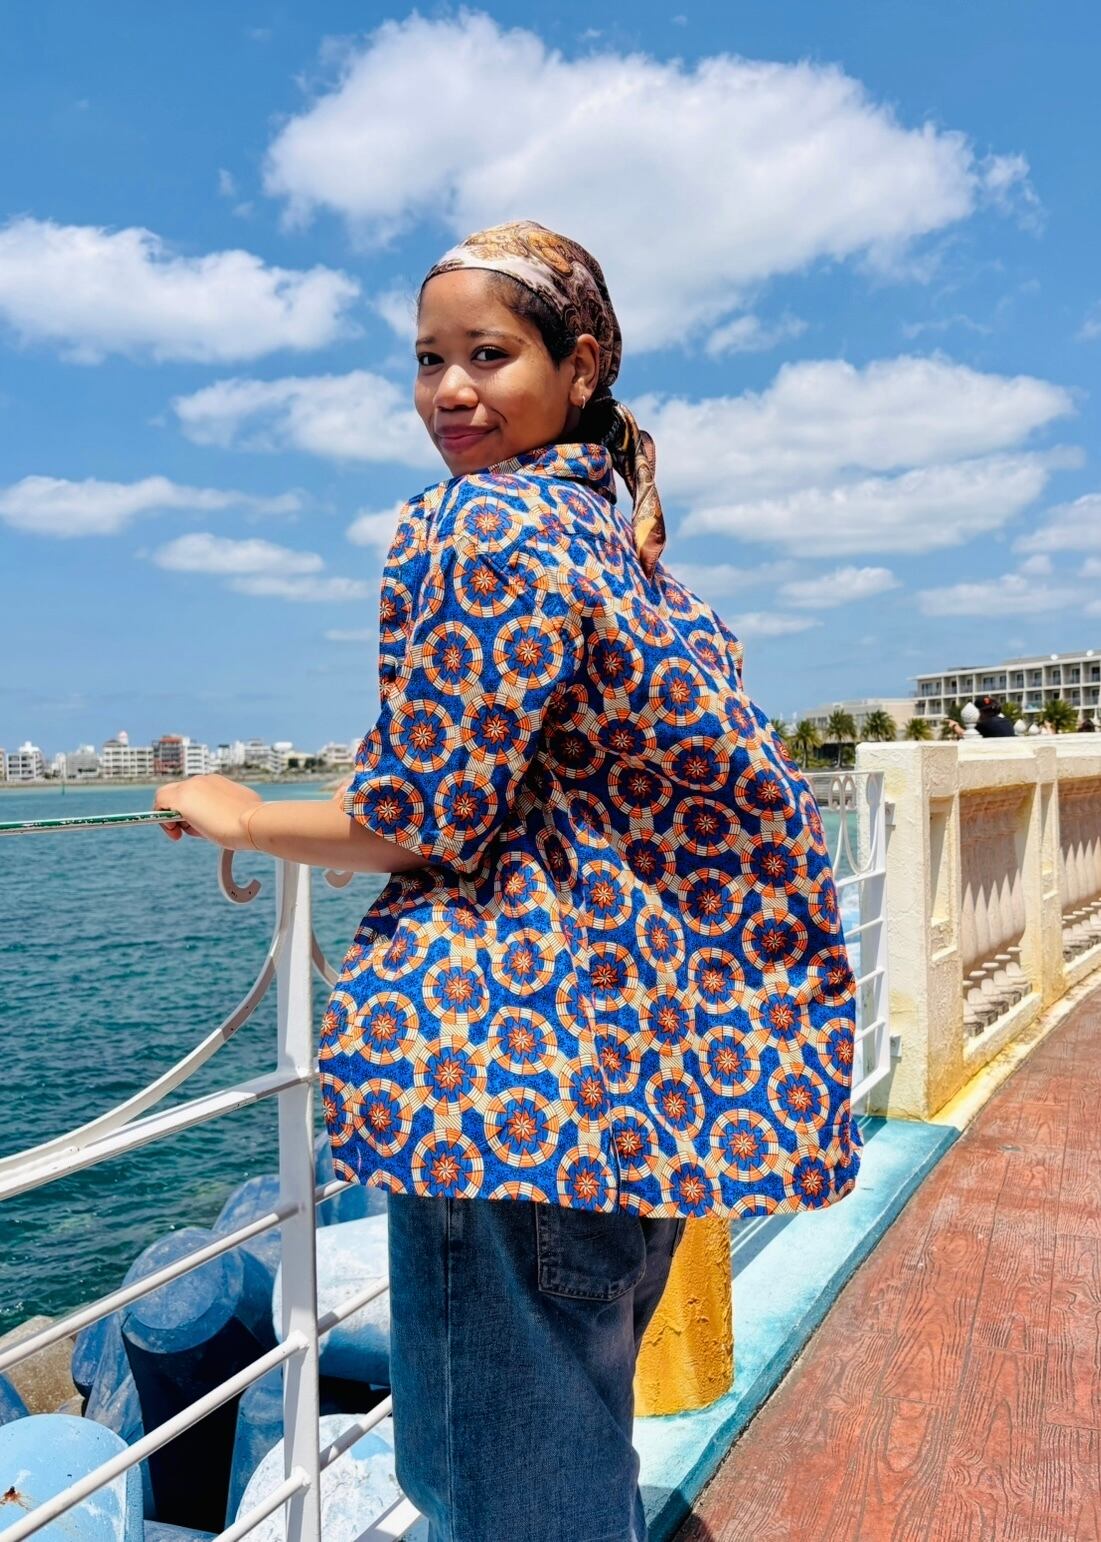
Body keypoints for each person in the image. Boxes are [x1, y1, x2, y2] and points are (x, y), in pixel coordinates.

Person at [153, 221, 861, 1542]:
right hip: (635, 1081)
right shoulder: (618, 543)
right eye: (428, 361)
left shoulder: (488, 524)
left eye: (487, 355)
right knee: (569, 1448)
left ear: (577, 365)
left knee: (515, 1497)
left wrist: (242, 812)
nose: (450, 392)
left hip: (509, 1088)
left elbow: (422, 813)